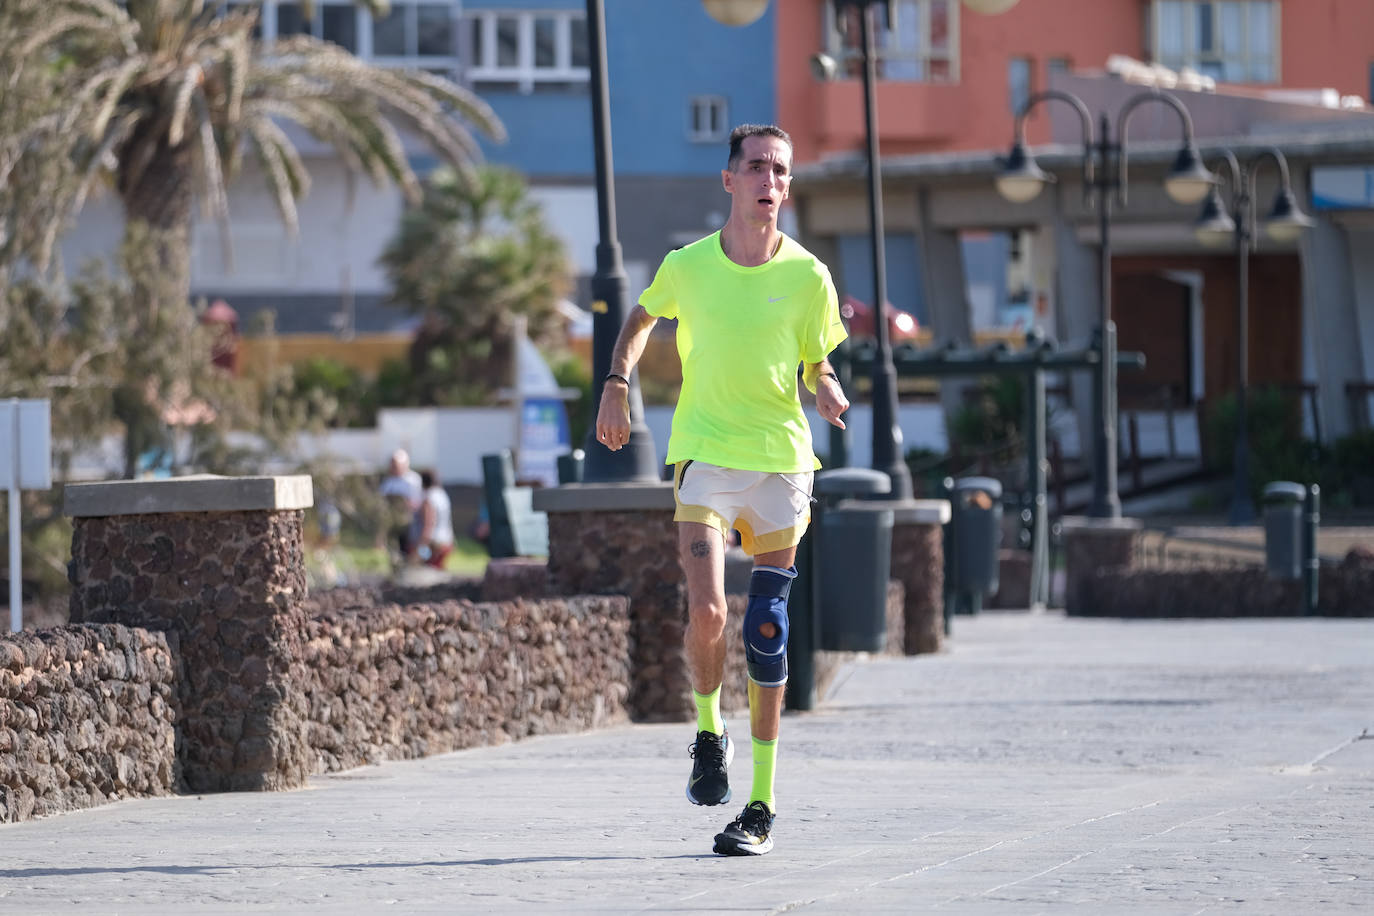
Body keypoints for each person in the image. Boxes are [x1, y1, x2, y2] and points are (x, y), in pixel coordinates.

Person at [595, 124, 849, 857]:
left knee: (766, 625)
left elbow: (818, 359)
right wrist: (617, 383)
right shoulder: (688, 266)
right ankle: (709, 731)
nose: (771, 179)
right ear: (729, 179)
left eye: (781, 170)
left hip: (781, 462)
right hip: (705, 454)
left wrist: (827, 387)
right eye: (758, 166)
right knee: (708, 612)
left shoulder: (809, 276)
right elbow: (640, 319)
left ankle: (761, 806)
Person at [378, 448, 423, 559]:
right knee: (393, 550)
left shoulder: (413, 480)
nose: (393, 468)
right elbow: (382, 502)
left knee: (407, 550)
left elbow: (418, 502)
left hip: (409, 523)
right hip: (392, 522)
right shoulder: (388, 482)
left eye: (396, 465)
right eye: (392, 465)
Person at [408, 470, 456, 569]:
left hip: (432, 544)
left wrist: (421, 546)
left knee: (423, 571)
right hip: (446, 540)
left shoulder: (429, 498)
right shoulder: (442, 494)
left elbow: (429, 524)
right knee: (438, 570)